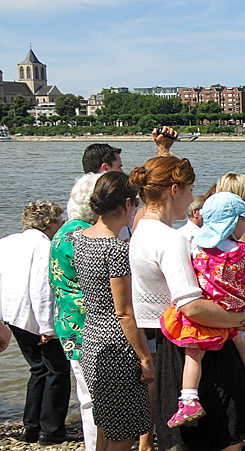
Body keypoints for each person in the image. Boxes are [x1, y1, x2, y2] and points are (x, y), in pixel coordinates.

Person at [128, 155, 245, 451]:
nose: (191, 199)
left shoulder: (140, 229)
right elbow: (191, 306)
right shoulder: (170, 239)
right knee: (222, 438)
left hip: (166, 342)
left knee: (185, 441)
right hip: (199, 345)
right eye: (190, 190)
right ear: (174, 190)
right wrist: (238, 318)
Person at [161, 192, 245, 427]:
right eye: (242, 221)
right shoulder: (244, 251)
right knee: (239, 341)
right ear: (232, 223)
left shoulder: (196, 246)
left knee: (194, 353)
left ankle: (189, 399)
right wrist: (240, 302)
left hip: (209, 310)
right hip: (234, 308)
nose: (244, 227)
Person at [75, 171, 155, 451]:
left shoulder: (81, 238)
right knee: (124, 434)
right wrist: (145, 357)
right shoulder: (116, 249)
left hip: (92, 339)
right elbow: (124, 313)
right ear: (127, 204)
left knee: (105, 425)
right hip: (117, 345)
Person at [0, 200, 69, 445]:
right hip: (36, 319)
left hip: (13, 317)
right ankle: (51, 431)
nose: (62, 225)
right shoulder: (45, 246)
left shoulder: (6, 242)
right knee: (57, 370)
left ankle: (31, 428)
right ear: (49, 223)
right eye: (60, 221)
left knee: (38, 369)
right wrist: (48, 328)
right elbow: (42, 289)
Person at [49, 172, 102, 451]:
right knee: (97, 396)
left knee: (87, 394)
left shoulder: (63, 231)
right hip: (88, 323)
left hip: (68, 322)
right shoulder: (85, 236)